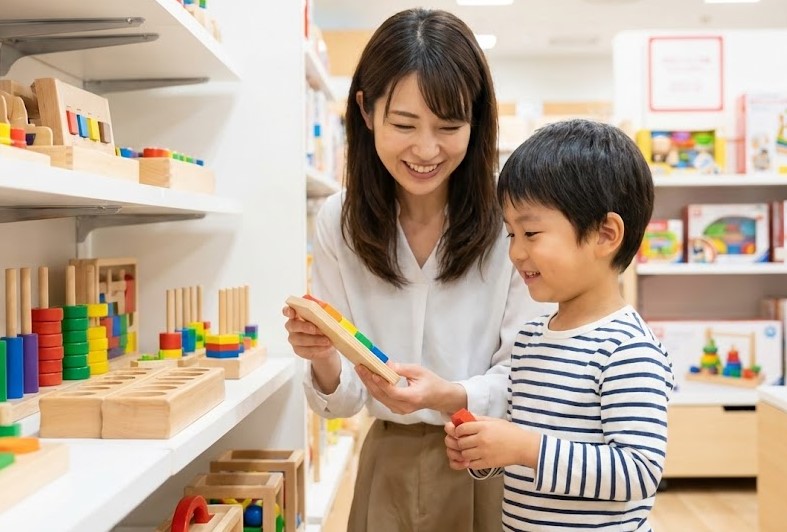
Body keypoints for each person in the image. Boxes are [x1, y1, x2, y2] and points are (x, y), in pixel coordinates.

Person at [282, 7, 551, 532]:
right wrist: (325, 358)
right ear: (366, 110)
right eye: (404, 125)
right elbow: (343, 401)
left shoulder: (512, 220)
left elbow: (528, 376)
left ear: (476, 120)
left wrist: (449, 395)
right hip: (388, 465)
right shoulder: (339, 221)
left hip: (487, 460)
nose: (426, 150)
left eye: (449, 127)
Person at [444, 119, 675, 531]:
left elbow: (638, 471)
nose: (516, 253)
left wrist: (525, 448)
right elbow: (529, 452)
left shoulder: (627, 349)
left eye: (531, 232)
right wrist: (487, 451)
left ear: (605, 234)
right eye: (511, 234)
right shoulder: (531, 338)